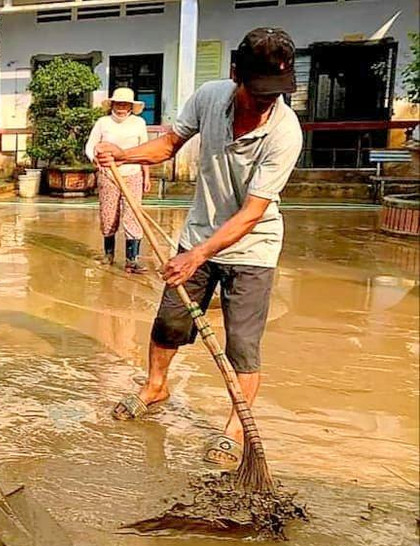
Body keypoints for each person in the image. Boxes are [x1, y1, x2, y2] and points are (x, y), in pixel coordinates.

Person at [99, 27, 303, 466]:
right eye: (258, 91)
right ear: (235, 74)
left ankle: (235, 426)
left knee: (242, 346)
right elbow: (170, 144)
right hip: (197, 236)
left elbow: (252, 213)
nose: (266, 102)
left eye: (275, 93)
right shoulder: (211, 98)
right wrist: (123, 154)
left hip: (252, 249)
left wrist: (197, 256)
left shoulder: (286, 133)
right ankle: (156, 386)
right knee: (169, 324)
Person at [85, 88, 151, 271]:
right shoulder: (102, 122)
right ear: (112, 104)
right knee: (109, 214)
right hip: (108, 175)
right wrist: (95, 159)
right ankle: (109, 255)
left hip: (133, 174)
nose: (122, 107)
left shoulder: (139, 123)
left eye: (125, 104)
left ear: (131, 106)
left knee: (133, 214)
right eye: (118, 103)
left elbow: (144, 150)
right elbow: (90, 146)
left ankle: (132, 259)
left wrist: (146, 175)